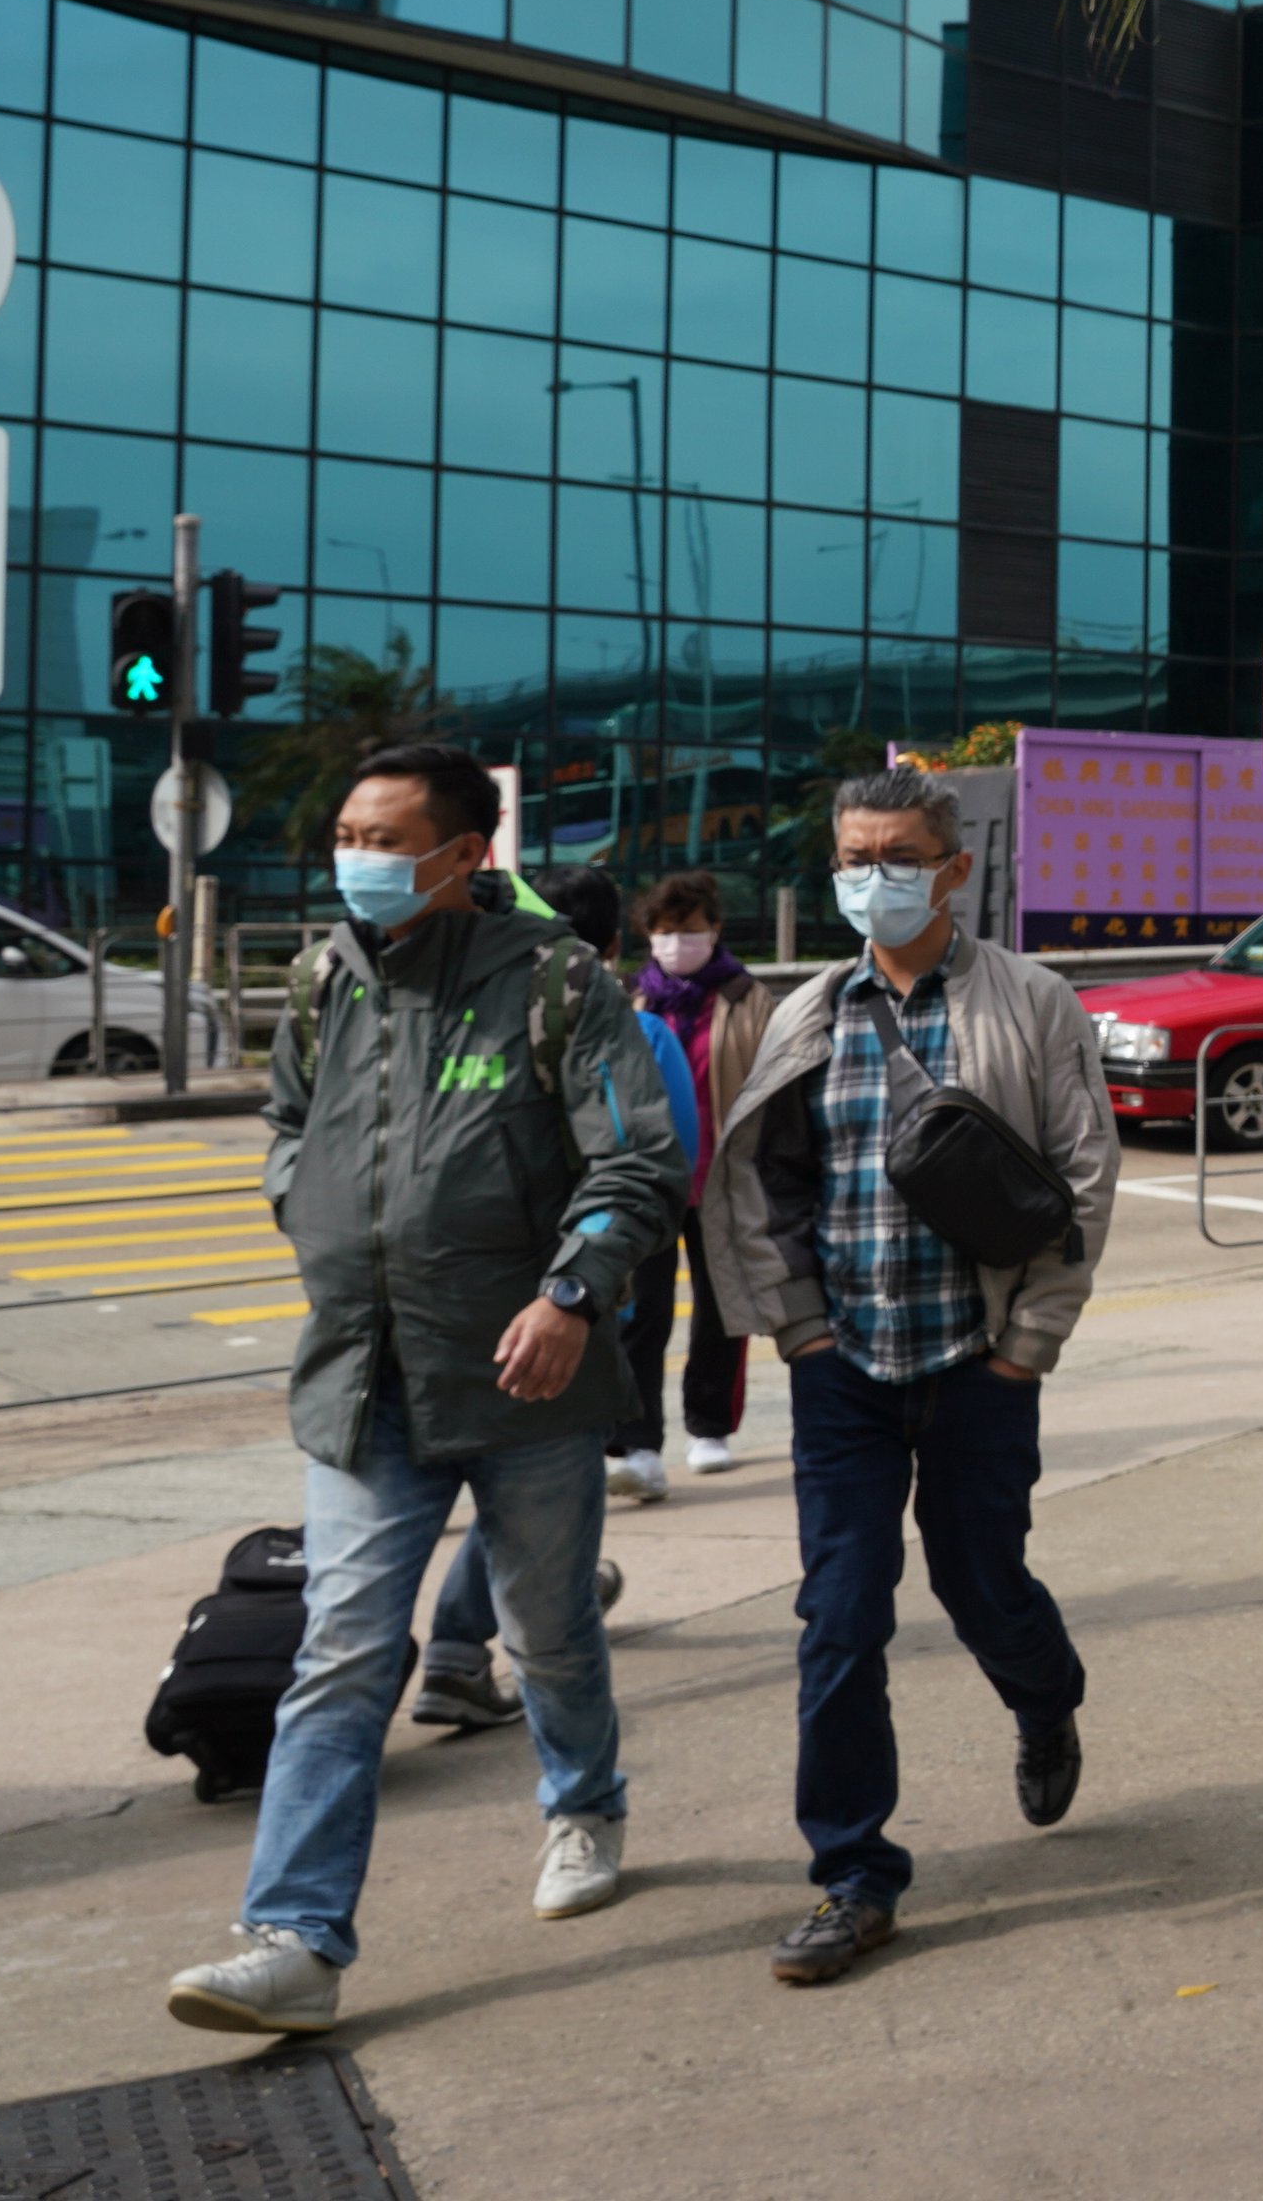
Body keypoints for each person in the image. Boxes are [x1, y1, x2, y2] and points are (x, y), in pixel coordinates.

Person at [163, 742, 682, 2039]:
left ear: (462, 856)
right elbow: (289, 1126)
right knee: (340, 1654)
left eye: (386, 841)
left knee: (546, 1630)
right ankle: (295, 1938)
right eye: (348, 835)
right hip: (363, 1379)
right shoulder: (323, 979)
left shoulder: (557, 983)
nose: (359, 860)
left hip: (525, 1375)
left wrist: (572, 1295)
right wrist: (304, 1200)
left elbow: (633, 1161)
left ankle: (584, 1806)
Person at [704, 768, 1119, 1986]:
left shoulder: (1031, 1000)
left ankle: (1044, 1700)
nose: (871, 878)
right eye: (854, 857)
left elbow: (1082, 1178)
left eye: (897, 857)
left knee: (983, 1584)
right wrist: (797, 1328)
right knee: (839, 1617)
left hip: (978, 1363)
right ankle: (854, 1876)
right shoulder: (808, 1012)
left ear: (953, 869)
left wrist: (1025, 1346)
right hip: (844, 1368)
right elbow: (762, 1183)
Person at [405, 863, 694, 1734]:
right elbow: (668, 1166)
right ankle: (469, 1645)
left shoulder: (458, 1017)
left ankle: (516, 1612)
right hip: (578, 1301)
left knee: (513, 1476)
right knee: (537, 1481)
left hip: (458, 1294)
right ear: (613, 943)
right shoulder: (641, 1031)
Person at [629, 870, 774, 1475]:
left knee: (721, 1310)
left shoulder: (747, 999)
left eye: (688, 929)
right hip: (649, 1184)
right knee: (642, 1311)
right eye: (664, 931)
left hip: (723, 1179)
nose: (676, 942)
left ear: (715, 929)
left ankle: (710, 1427)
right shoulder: (634, 1002)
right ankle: (636, 1439)